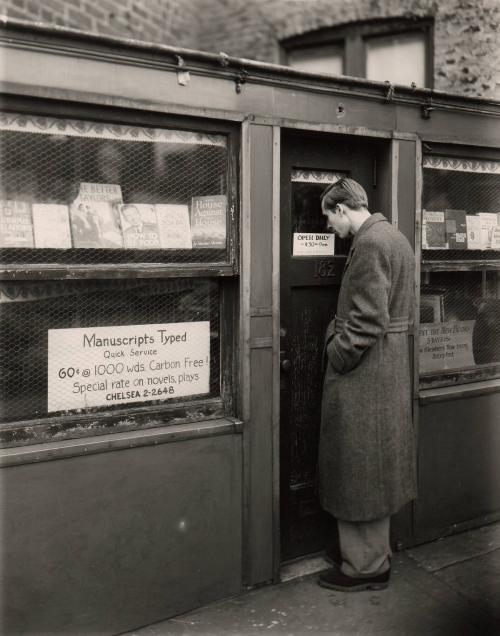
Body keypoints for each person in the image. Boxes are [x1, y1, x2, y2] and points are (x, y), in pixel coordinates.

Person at [317, 178, 416, 592]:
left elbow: (367, 320)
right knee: (375, 466)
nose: (328, 228)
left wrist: (337, 352)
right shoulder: (393, 236)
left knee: (357, 467)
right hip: (386, 370)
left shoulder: (370, 244)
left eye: (328, 217)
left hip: (365, 374)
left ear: (342, 209)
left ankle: (364, 567)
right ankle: (372, 556)